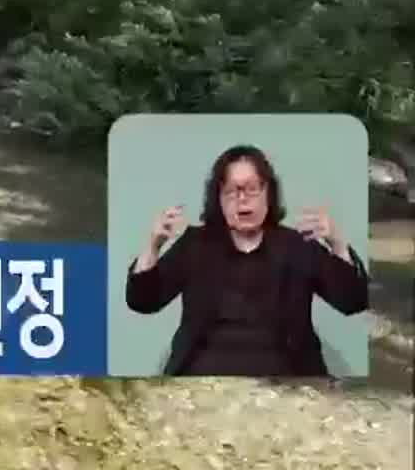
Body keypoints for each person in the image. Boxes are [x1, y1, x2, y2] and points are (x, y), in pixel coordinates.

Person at [124, 143, 369, 377]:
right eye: (231, 191)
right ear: (218, 199)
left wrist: (337, 243)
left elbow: (353, 301)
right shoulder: (194, 244)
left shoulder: (297, 245)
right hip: (203, 376)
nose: (243, 198)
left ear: (268, 193)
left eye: (252, 188)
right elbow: (143, 301)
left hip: (286, 379)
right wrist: (153, 245)